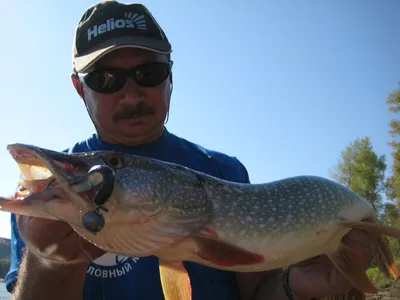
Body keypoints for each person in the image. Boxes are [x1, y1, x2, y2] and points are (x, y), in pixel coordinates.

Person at [5, 1, 377, 299]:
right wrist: (48, 263)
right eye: (105, 79)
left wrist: (294, 287)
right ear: (79, 88)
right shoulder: (48, 196)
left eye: (148, 73)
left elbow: (257, 292)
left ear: (170, 75)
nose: (131, 94)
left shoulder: (225, 171)